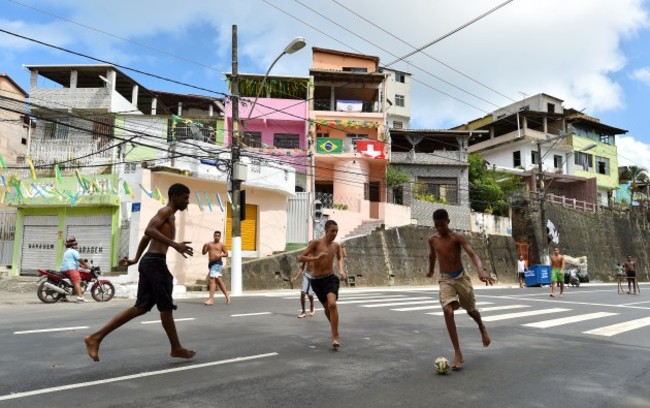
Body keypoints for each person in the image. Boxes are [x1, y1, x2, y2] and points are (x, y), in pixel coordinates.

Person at [84, 183, 196, 362]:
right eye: (186, 197)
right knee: (165, 307)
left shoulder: (170, 216)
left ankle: (95, 337)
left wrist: (135, 259)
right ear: (175, 196)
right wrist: (175, 245)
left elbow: (147, 237)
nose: (187, 202)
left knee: (142, 307)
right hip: (155, 263)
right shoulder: (165, 211)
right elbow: (149, 230)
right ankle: (176, 348)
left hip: (150, 261)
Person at [427, 209, 494, 370]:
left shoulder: (457, 237)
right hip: (445, 279)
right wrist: (430, 270)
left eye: (442, 225)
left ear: (448, 221)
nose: (440, 228)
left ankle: (482, 327)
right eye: (437, 225)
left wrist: (480, 270)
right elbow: (432, 256)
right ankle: (458, 352)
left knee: (471, 311)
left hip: (461, 277)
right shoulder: (432, 239)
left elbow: (472, 255)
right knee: (447, 311)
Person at [298, 220, 346, 348]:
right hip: (317, 281)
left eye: (336, 231)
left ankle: (335, 336)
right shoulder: (316, 243)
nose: (335, 233)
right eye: (332, 231)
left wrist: (341, 270)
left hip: (330, 278)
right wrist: (315, 258)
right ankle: (335, 329)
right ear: (326, 230)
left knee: (332, 304)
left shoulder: (336, 246)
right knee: (327, 309)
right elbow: (300, 257)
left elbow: (340, 258)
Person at [59, 236, 92, 303]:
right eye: (75, 244)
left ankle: (63, 297)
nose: (77, 246)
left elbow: (73, 261)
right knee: (77, 281)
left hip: (64, 269)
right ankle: (80, 297)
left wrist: (82, 266)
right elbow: (80, 259)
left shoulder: (67, 251)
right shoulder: (73, 251)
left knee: (66, 283)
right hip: (70, 269)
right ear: (72, 246)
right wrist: (88, 266)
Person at [202, 231, 230, 306]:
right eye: (216, 235)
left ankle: (211, 299)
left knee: (212, 280)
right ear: (213, 236)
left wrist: (220, 255)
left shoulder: (222, 245)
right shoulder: (209, 244)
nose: (217, 237)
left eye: (218, 236)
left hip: (217, 263)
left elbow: (226, 254)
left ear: (220, 237)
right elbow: (204, 252)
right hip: (211, 264)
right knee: (218, 280)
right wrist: (204, 246)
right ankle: (227, 294)